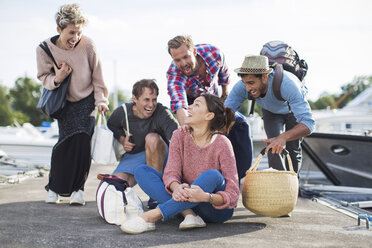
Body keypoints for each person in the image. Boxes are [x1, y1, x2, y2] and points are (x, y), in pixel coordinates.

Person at [120, 94, 239, 234]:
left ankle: (151, 216)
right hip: (182, 199)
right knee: (141, 171)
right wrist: (175, 187)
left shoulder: (222, 143)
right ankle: (189, 214)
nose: (189, 107)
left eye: (196, 104)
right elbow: (171, 173)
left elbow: (233, 194)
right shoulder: (179, 135)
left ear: (209, 116)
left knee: (213, 175)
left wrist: (206, 197)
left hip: (212, 209)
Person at [36, 4, 109, 205]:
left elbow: (98, 77)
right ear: (59, 30)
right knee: (65, 144)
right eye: (71, 32)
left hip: (87, 100)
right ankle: (54, 188)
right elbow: (44, 77)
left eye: (78, 32)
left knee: (83, 141)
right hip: (64, 104)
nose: (75, 37)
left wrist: (101, 100)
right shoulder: (43, 49)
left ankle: (78, 189)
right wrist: (57, 78)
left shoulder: (88, 45)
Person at [166, 35, 252, 180]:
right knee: (192, 133)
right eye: (177, 60)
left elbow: (224, 73)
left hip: (214, 99)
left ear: (194, 52)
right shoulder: (174, 73)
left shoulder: (213, 53)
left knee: (239, 123)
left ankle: (238, 176)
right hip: (192, 104)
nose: (183, 63)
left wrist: (225, 94)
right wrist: (188, 126)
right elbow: (179, 104)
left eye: (186, 57)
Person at [225, 55, 315, 173]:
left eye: (251, 83)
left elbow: (309, 124)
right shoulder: (242, 87)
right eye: (245, 83)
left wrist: (283, 137)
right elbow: (225, 114)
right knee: (273, 147)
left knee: (292, 149)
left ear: (264, 76)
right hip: (270, 111)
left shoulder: (289, 85)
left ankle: (293, 187)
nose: (247, 88)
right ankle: (277, 188)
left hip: (293, 111)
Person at [107, 79, 179, 208]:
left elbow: (176, 136)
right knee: (114, 185)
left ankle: (156, 194)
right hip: (135, 156)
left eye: (154, 99)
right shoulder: (123, 112)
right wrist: (123, 139)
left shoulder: (162, 113)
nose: (151, 105)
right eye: (146, 100)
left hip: (159, 155)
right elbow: (112, 124)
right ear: (135, 98)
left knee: (152, 138)